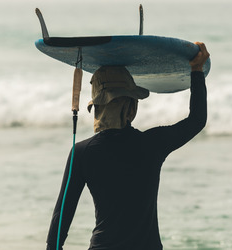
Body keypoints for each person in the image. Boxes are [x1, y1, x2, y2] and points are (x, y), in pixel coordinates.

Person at [46, 42, 210, 250]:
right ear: (132, 106)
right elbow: (197, 120)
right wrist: (197, 71)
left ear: (97, 108)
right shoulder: (153, 143)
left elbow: (63, 214)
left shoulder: (82, 152)